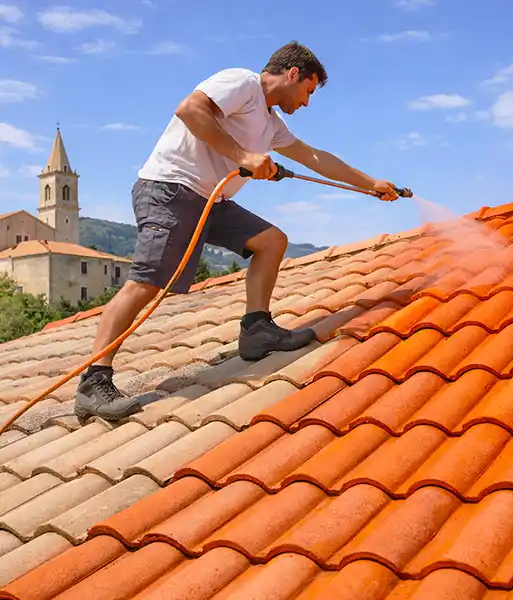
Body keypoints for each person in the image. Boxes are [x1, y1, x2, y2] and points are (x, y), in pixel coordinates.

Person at [74, 41, 401, 422]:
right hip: (171, 190)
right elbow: (190, 110)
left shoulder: (271, 124)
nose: (308, 103)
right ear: (292, 74)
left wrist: (370, 182)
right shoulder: (241, 82)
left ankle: (256, 330)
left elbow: (315, 157)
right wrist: (244, 156)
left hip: (211, 201)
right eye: (308, 91)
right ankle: (93, 382)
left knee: (271, 241)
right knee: (146, 283)